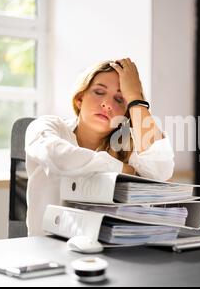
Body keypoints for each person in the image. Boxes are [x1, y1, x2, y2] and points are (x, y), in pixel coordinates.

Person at [25, 58, 174, 236]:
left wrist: (135, 98)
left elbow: (160, 172)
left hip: (108, 253)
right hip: (48, 251)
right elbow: (57, 156)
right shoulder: (48, 126)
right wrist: (121, 170)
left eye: (119, 99)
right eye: (98, 92)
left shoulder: (128, 146)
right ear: (80, 99)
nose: (107, 104)